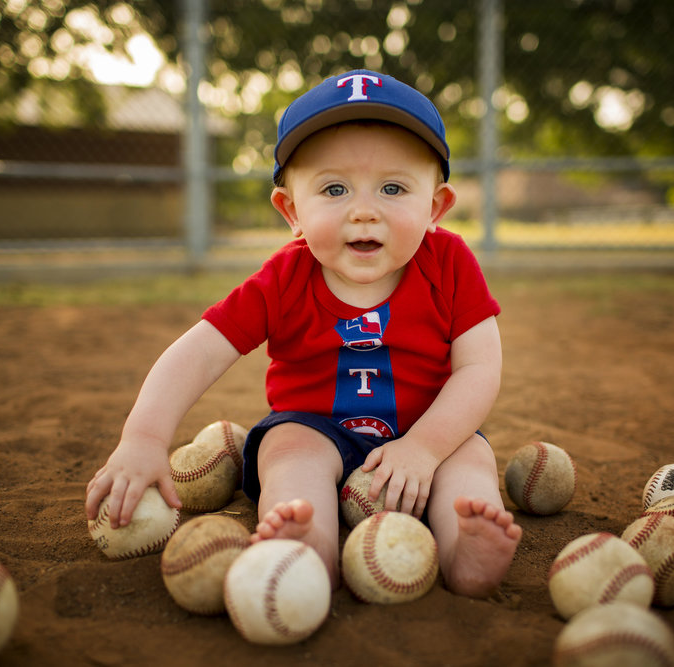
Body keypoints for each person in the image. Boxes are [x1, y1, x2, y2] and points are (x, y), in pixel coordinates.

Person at [85, 69, 521, 598]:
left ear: (434, 207)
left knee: (470, 460)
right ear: (291, 211)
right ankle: (307, 542)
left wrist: (426, 448)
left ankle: (465, 552)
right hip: (317, 428)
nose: (364, 210)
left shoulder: (449, 263)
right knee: (288, 453)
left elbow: (479, 368)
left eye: (393, 187)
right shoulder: (283, 278)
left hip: (428, 430)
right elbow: (198, 352)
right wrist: (144, 439)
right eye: (334, 188)